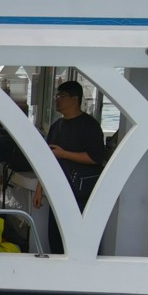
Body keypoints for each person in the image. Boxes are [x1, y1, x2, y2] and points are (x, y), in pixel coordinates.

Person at [33, 80, 107, 254]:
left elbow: (95, 157)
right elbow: (47, 160)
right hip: (58, 193)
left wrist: (64, 154)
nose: (57, 99)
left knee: (82, 242)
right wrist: (39, 189)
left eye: (62, 96)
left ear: (75, 99)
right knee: (56, 240)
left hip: (81, 194)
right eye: (56, 95)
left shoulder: (90, 126)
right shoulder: (56, 126)